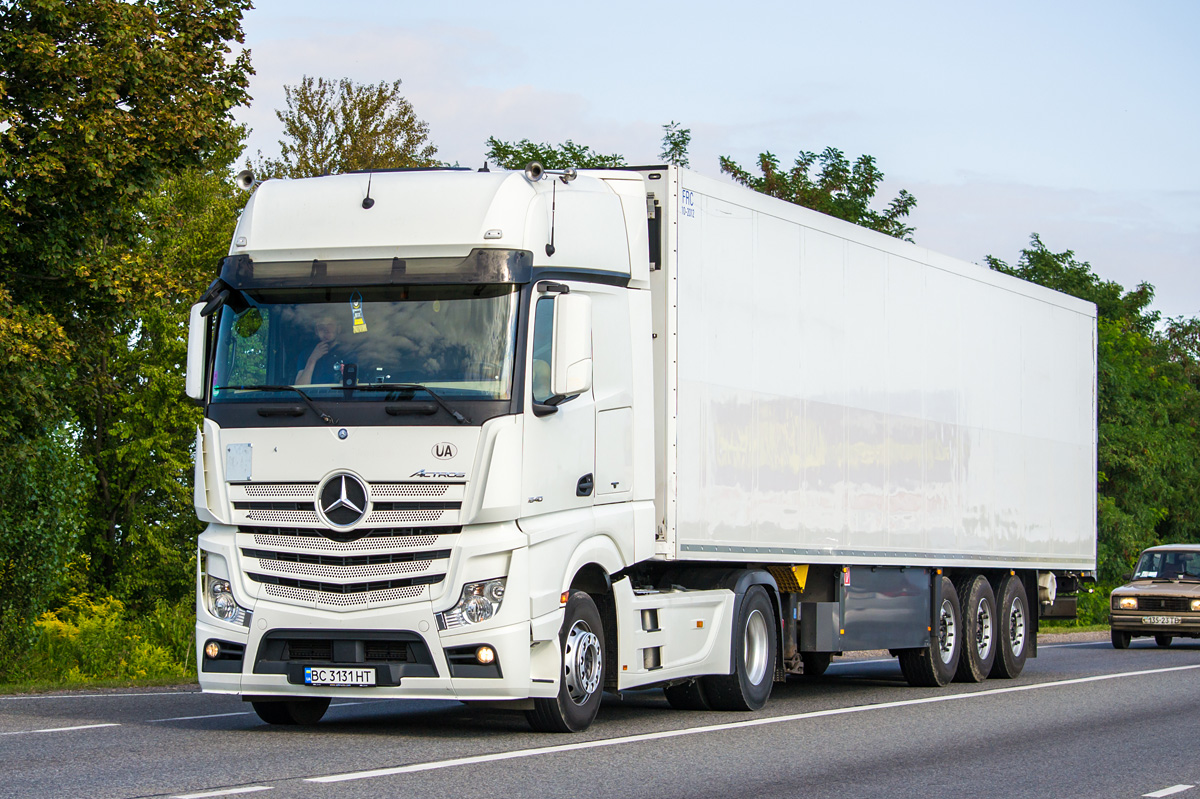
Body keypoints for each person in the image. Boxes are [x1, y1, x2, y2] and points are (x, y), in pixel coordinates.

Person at [295, 314, 342, 385]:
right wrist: (312, 359)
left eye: (330, 325)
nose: (326, 330)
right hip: (310, 396)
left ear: (338, 329)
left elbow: (348, 386)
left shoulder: (347, 353)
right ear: (316, 331)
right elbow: (300, 388)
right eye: (321, 327)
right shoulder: (306, 354)